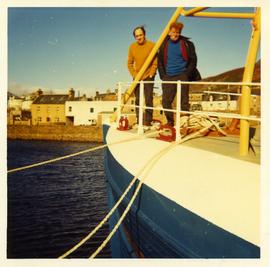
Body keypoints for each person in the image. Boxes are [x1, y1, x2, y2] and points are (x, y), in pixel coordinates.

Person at [158, 22, 201, 126]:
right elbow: (159, 62)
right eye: (173, 32)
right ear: (168, 32)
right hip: (168, 76)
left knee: (183, 102)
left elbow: (193, 60)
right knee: (166, 101)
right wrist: (163, 76)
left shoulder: (187, 44)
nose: (175, 34)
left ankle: (184, 123)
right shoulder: (163, 44)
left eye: (178, 32)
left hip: (182, 75)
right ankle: (170, 122)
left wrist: (186, 74)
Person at [127, 26, 157, 126]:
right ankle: (139, 120)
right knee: (138, 99)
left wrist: (152, 73)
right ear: (135, 37)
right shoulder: (132, 47)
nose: (139, 37)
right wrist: (135, 75)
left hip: (149, 76)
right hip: (137, 77)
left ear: (144, 34)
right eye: (136, 36)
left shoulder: (152, 45)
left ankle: (148, 121)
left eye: (140, 35)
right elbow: (129, 63)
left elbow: (155, 62)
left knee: (148, 99)